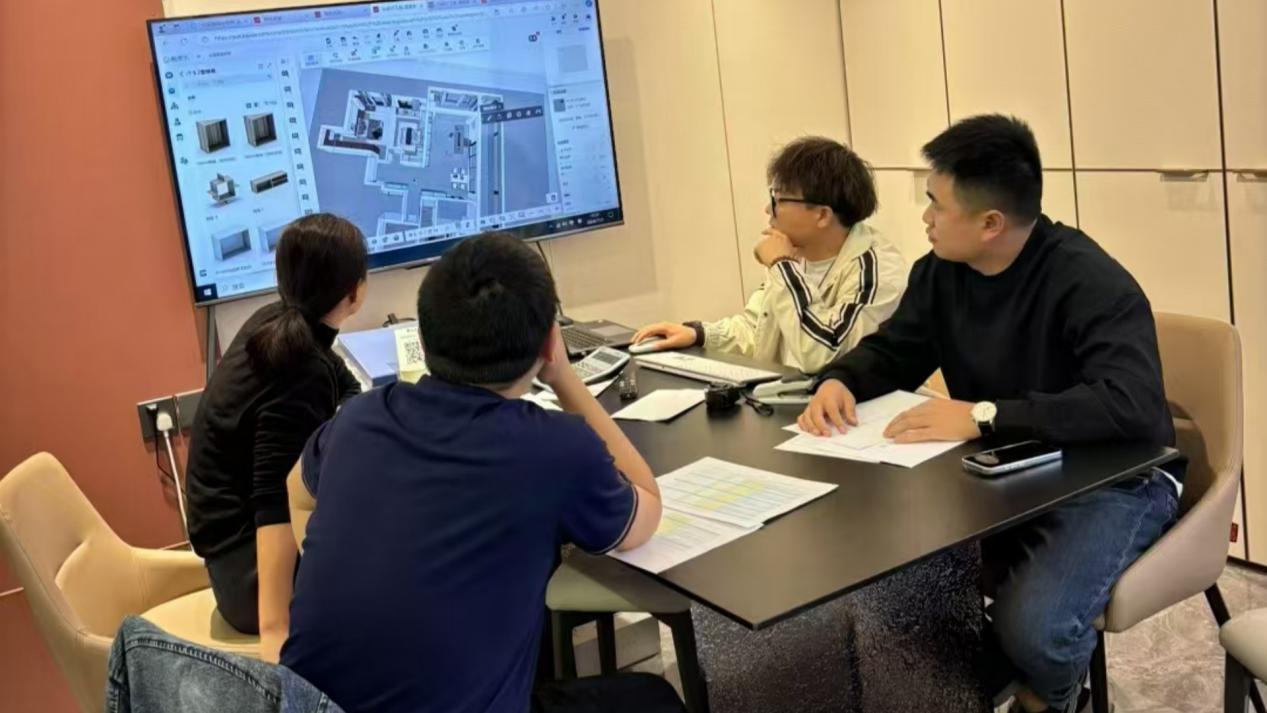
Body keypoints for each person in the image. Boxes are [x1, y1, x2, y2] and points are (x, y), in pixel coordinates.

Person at [798, 115, 1181, 713]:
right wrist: (840, 379)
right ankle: (995, 686)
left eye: (936, 203)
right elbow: (897, 350)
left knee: (1037, 629)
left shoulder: (1090, 281)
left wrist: (984, 416)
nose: (925, 218)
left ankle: (1049, 697)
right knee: (891, 582)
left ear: (990, 223)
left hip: (1115, 477)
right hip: (1003, 469)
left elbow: (1129, 404)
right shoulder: (942, 272)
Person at [280, 233, 684, 713]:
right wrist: (563, 376)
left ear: (422, 339)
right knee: (653, 698)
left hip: (304, 704)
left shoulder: (358, 418)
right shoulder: (555, 447)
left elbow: (295, 490)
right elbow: (646, 509)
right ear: (548, 343)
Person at [185, 213, 368, 662]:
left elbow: (347, 387)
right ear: (355, 292)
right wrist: (276, 630)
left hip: (228, 553)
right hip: (249, 576)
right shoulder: (299, 368)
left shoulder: (278, 323)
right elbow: (273, 502)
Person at [632, 136, 907, 374]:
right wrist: (698, 334)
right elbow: (758, 330)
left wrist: (781, 266)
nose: (768, 210)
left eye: (778, 200)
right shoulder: (796, 253)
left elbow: (824, 355)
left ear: (823, 215)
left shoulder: (876, 271)